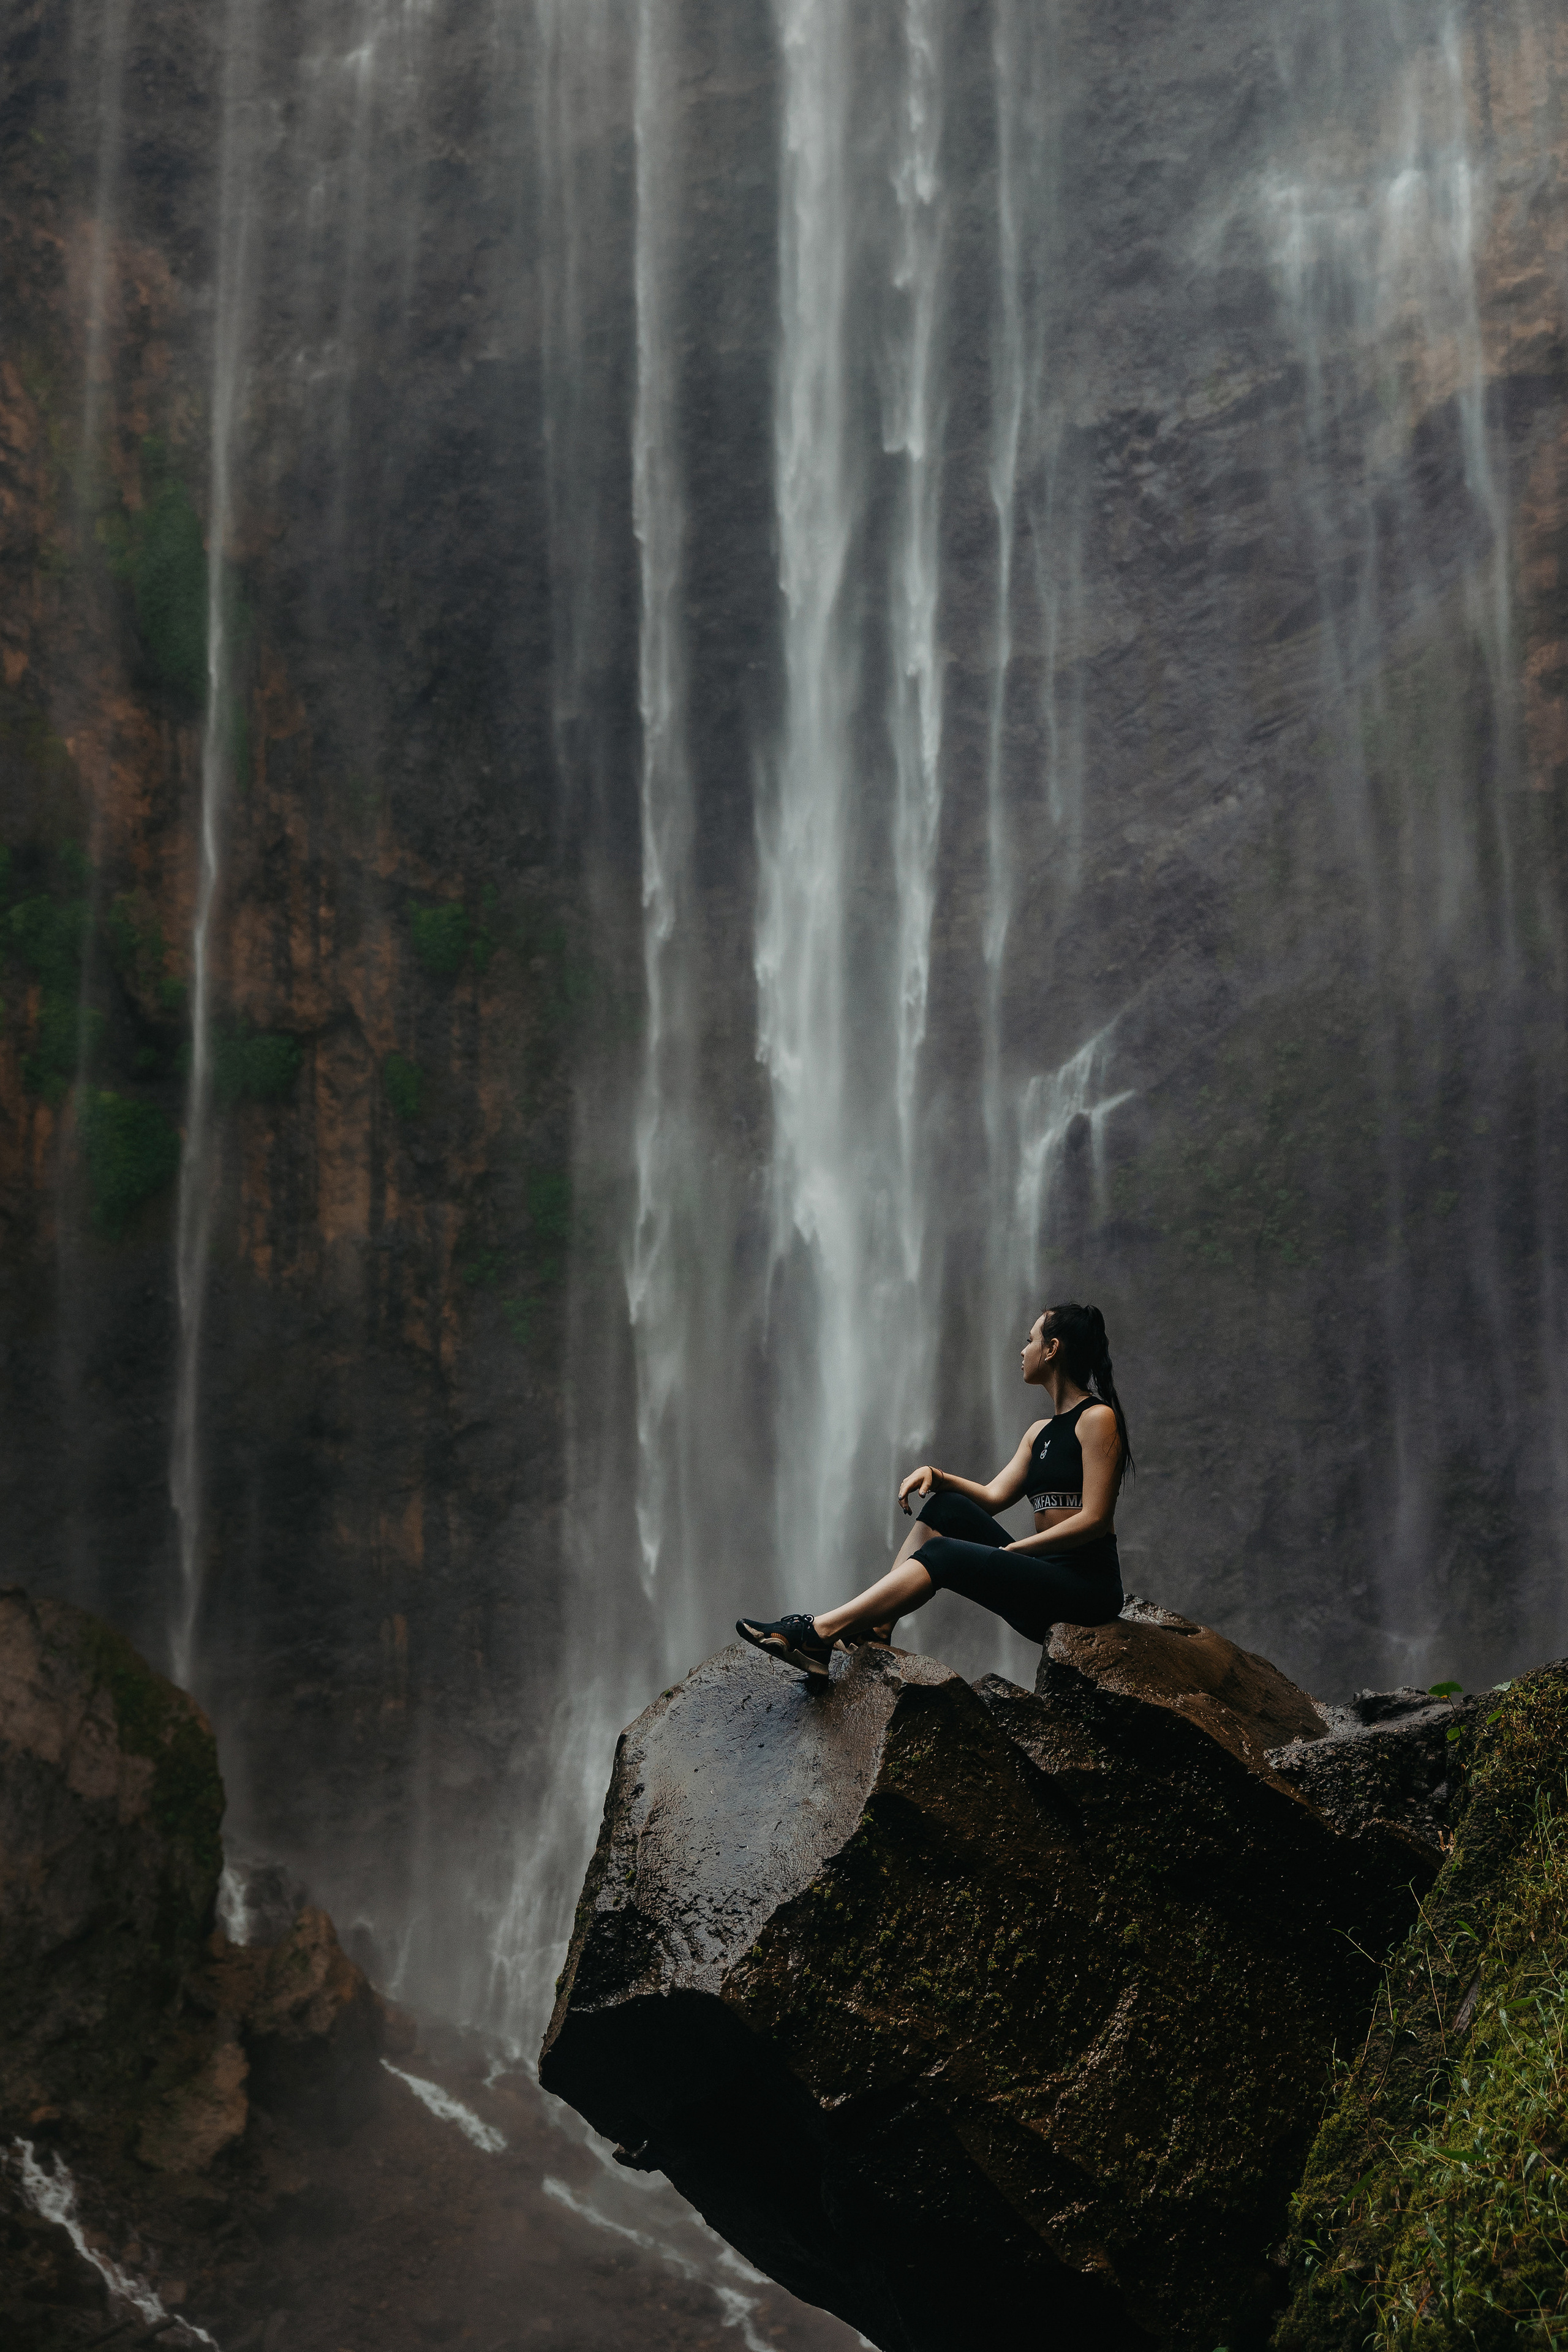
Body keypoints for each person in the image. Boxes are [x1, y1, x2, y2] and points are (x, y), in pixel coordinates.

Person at [737, 1302, 1131, 1686]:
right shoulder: (1039, 1432)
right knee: (946, 1508)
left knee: (944, 1554)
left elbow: (1096, 1519)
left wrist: (1020, 1551)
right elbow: (994, 1497)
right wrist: (938, 1476)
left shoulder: (1097, 1419)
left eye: (1030, 1340)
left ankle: (819, 1633)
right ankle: (877, 1626)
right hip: (1043, 1581)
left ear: (1053, 1348)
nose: (1022, 1350)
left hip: (1085, 1590)